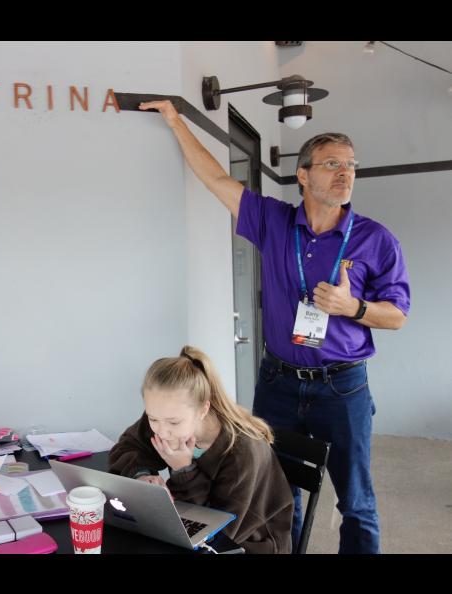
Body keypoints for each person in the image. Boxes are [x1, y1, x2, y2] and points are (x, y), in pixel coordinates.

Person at [138, 100, 410, 554]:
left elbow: (398, 315)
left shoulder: (375, 238)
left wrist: (353, 307)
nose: (345, 174)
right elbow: (216, 179)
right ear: (303, 175)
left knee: (356, 502)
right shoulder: (275, 222)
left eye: (351, 165)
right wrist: (174, 120)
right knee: (279, 495)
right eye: (331, 164)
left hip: (342, 388)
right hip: (278, 383)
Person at [109, 346, 293, 554]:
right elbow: (126, 447)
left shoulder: (243, 451)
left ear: (203, 410)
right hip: (193, 525)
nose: (162, 431)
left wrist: (183, 471)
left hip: (248, 543)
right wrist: (141, 475)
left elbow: (218, 528)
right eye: (153, 419)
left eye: (173, 422)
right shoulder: (166, 416)